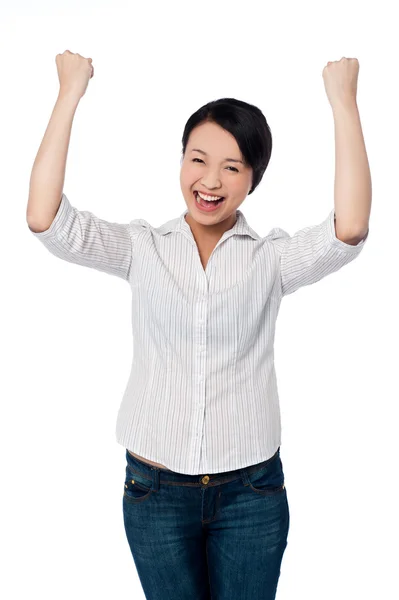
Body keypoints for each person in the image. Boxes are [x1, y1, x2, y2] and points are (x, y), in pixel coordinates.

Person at [26, 51, 370, 600]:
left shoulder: (271, 260)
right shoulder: (143, 248)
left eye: (232, 167)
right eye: (197, 160)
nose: (210, 181)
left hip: (251, 495)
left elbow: (348, 228)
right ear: (181, 162)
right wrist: (70, 92)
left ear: (253, 178)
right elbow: (47, 220)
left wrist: (343, 103)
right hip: (154, 492)